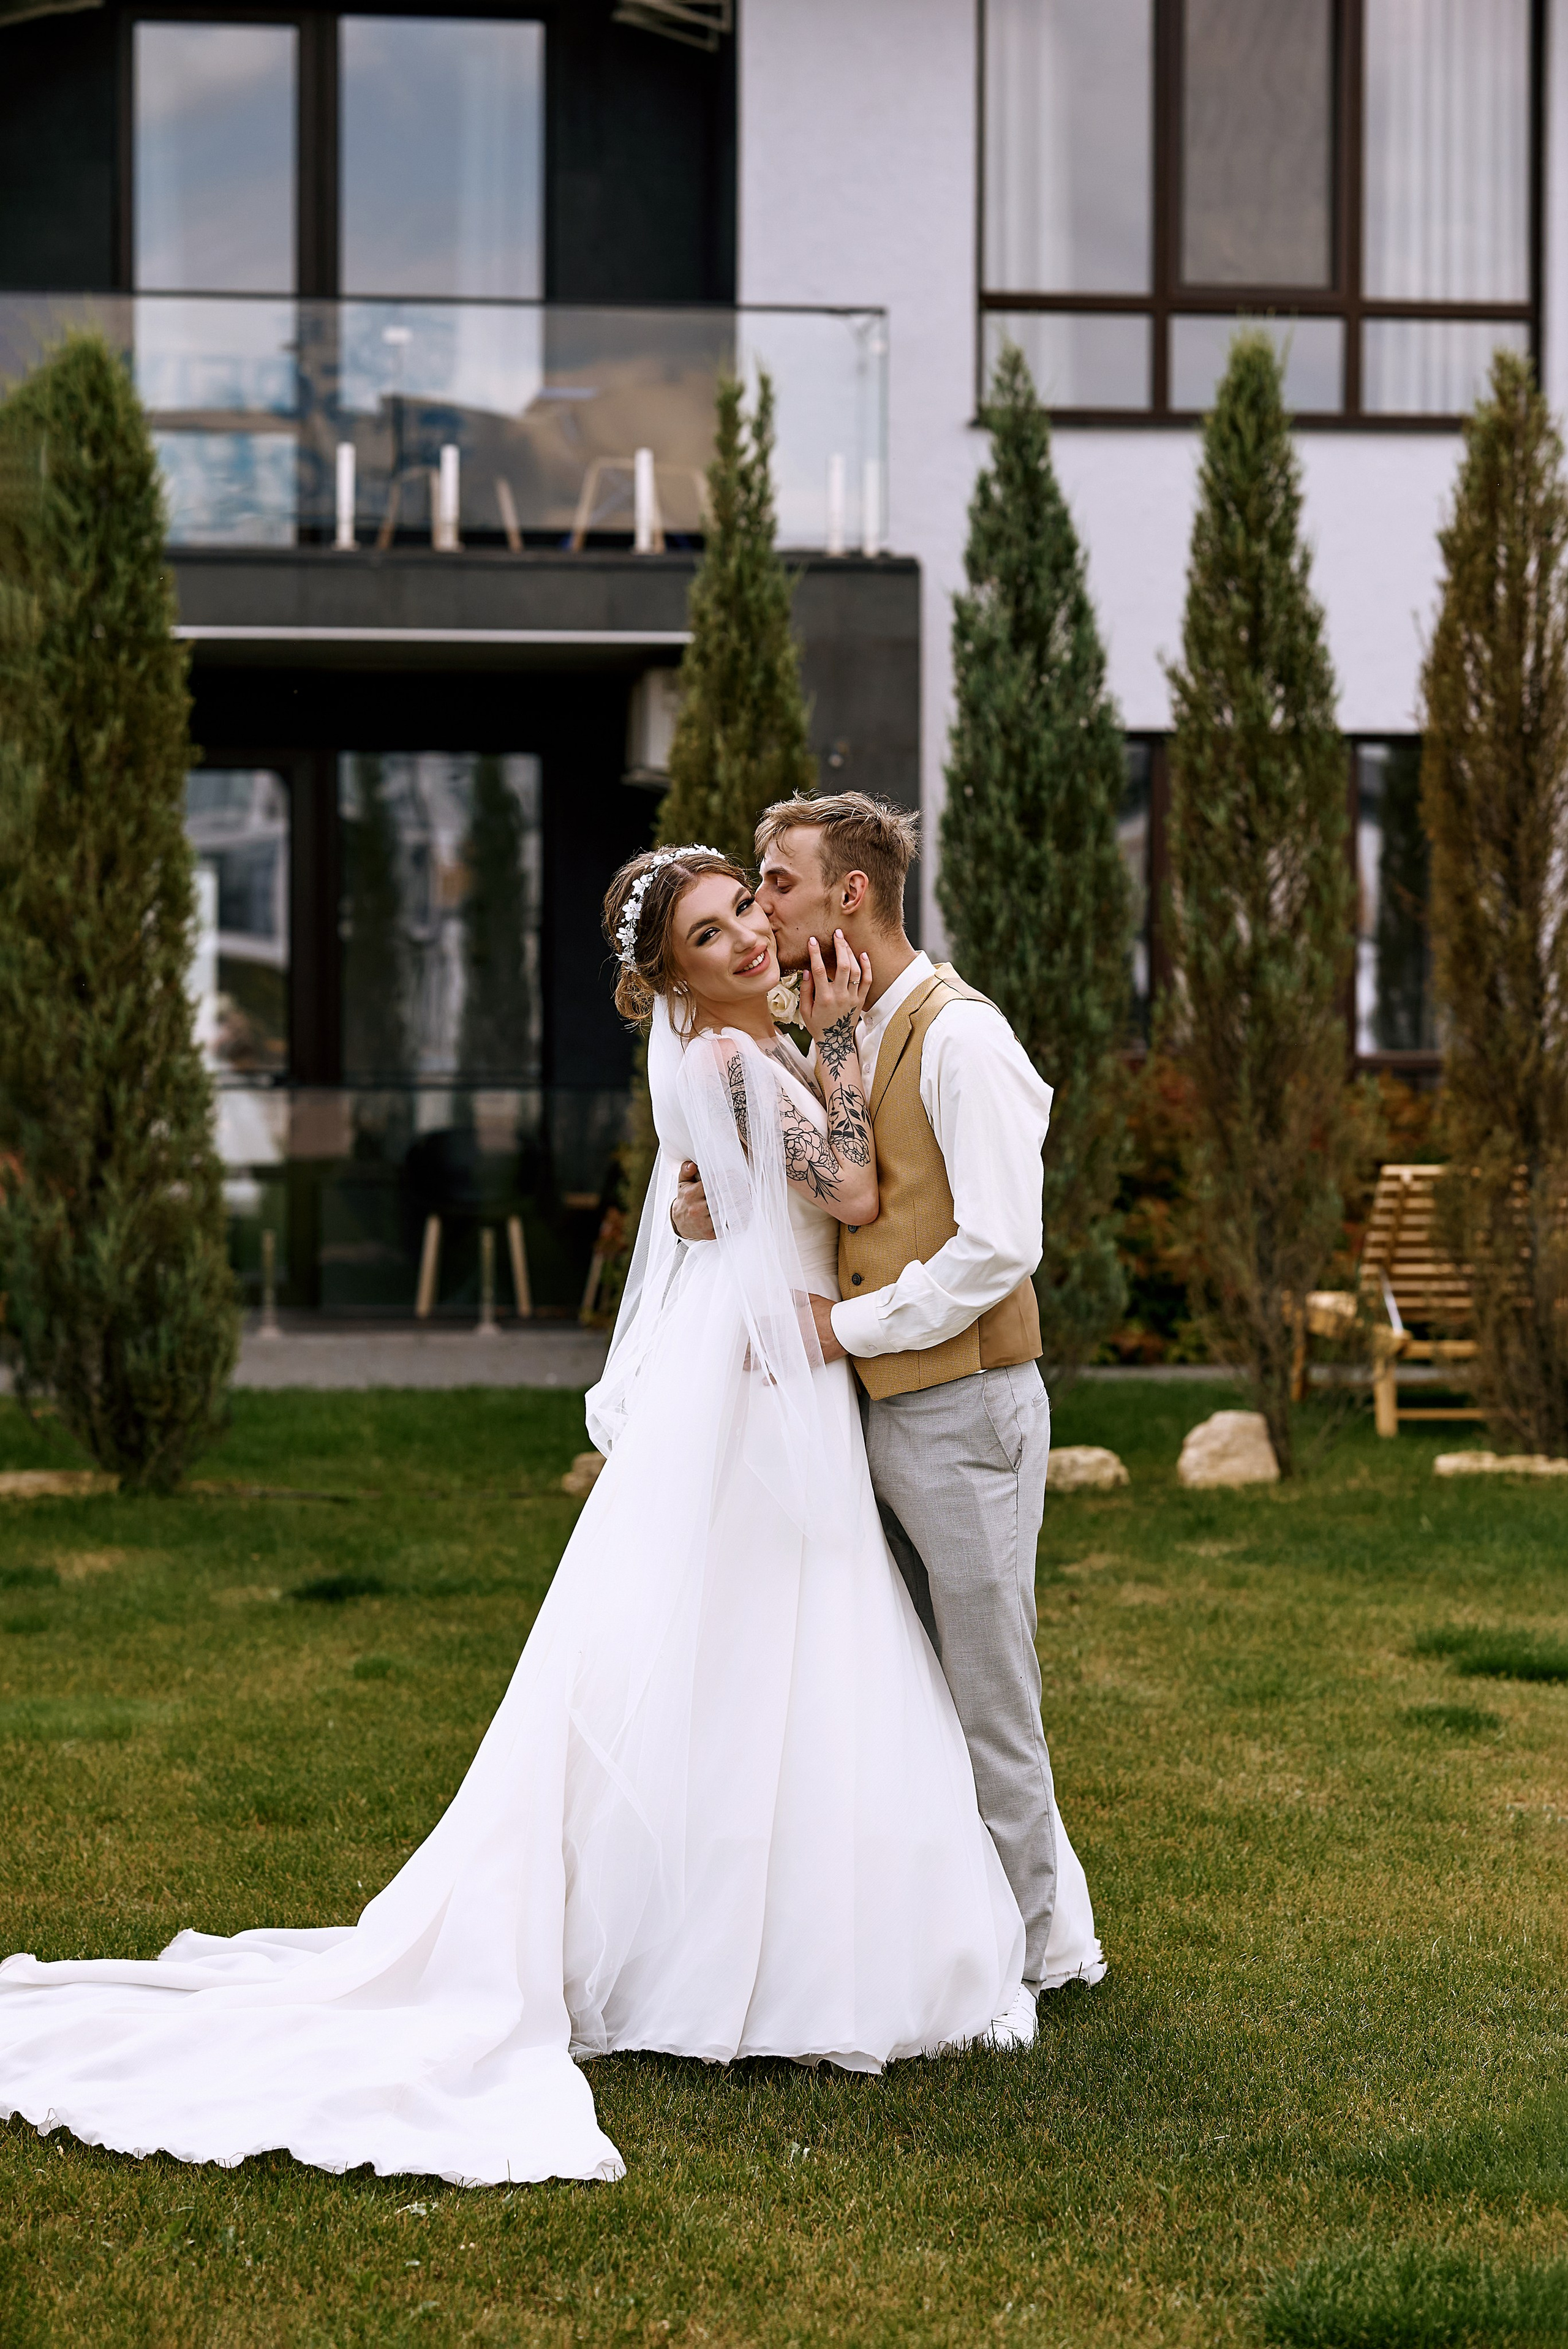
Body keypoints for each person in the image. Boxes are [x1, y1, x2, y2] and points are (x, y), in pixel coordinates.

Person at [0, 845, 1101, 2191]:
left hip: (760, 1369)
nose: (750, 935)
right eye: (713, 934)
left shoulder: (718, 1061)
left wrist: (734, 1165)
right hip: (776, 1378)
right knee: (787, 1647)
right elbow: (854, 1196)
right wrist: (817, 1047)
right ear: (673, 979)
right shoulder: (739, 1060)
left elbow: (720, 1200)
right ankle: (782, 1949)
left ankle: (736, 1919)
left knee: (748, 1653)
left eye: (746, 907)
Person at [673, 795, 1101, 2048]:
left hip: (963, 1410)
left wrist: (835, 1332)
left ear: (844, 898)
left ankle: (1046, 1948)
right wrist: (717, 1205)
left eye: (775, 883)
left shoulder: (961, 1039)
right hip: (881, 1415)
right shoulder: (849, 1027)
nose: (761, 907)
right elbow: (833, 1183)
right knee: (912, 1693)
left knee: (986, 1693)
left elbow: (997, 1248)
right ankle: (961, 1938)